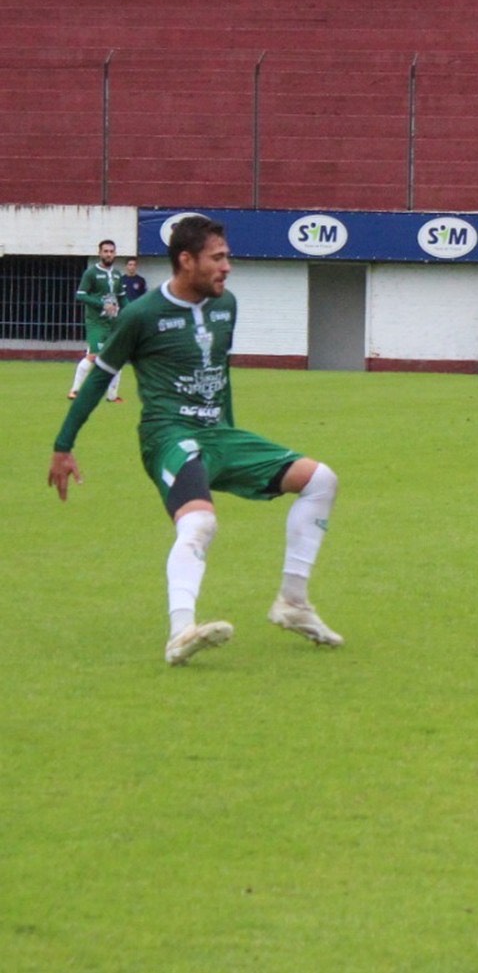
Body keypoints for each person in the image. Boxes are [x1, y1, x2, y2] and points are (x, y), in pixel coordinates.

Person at [47, 215, 344, 665]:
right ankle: (180, 631)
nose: (227, 266)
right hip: (168, 435)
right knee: (201, 523)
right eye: (217, 258)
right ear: (186, 260)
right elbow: (97, 380)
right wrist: (63, 446)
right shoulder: (141, 314)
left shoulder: (228, 307)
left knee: (321, 480)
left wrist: (228, 437)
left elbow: (220, 375)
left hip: (218, 435)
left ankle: (293, 603)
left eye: (227, 257)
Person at [68, 239, 126, 403]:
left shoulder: (116, 274)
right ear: (99, 253)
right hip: (96, 322)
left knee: (117, 358)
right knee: (93, 356)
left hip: (112, 323)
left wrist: (131, 312)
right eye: (105, 251)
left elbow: (122, 298)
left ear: (115, 253)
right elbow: (80, 295)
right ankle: (75, 390)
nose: (108, 254)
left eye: (111, 251)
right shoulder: (91, 273)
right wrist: (102, 304)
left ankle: (112, 395)